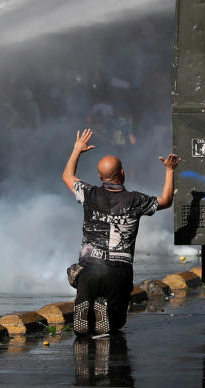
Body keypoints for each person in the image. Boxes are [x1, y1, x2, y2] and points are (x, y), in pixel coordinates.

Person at [62, 128, 180, 336]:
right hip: (119, 273)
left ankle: (87, 310)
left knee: (75, 272)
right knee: (116, 323)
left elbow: (67, 176)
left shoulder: (89, 194)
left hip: (89, 272)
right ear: (123, 174)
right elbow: (166, 200)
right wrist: (169, 170)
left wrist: (77, 150)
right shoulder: (135, 200)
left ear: (100, 176)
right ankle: (106, 314)